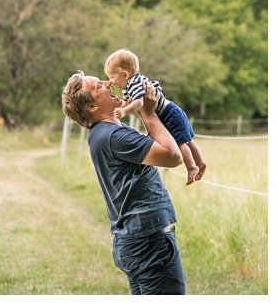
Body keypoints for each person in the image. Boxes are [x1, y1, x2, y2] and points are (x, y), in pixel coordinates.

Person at [61, 71, 186, 294]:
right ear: (92, 107)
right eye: (99, 86)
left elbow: (156, 148)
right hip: (149, 243)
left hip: (134, 242)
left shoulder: (104, 133)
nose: (108, 83)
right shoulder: (114, 136)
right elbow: (172, 156)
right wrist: (147, 113)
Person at [104, 49, 206, 185]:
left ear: (125, 74)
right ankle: (200, 162)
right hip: (168, 111)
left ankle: (192, 166)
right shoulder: (127, 86)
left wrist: (124, 112)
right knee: (187, 140)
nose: (111, 82)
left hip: (169, 113)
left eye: (112, 78)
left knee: (181, 142)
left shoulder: (135, 82)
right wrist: (116, 109)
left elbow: (139, 102)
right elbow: (127, 102)